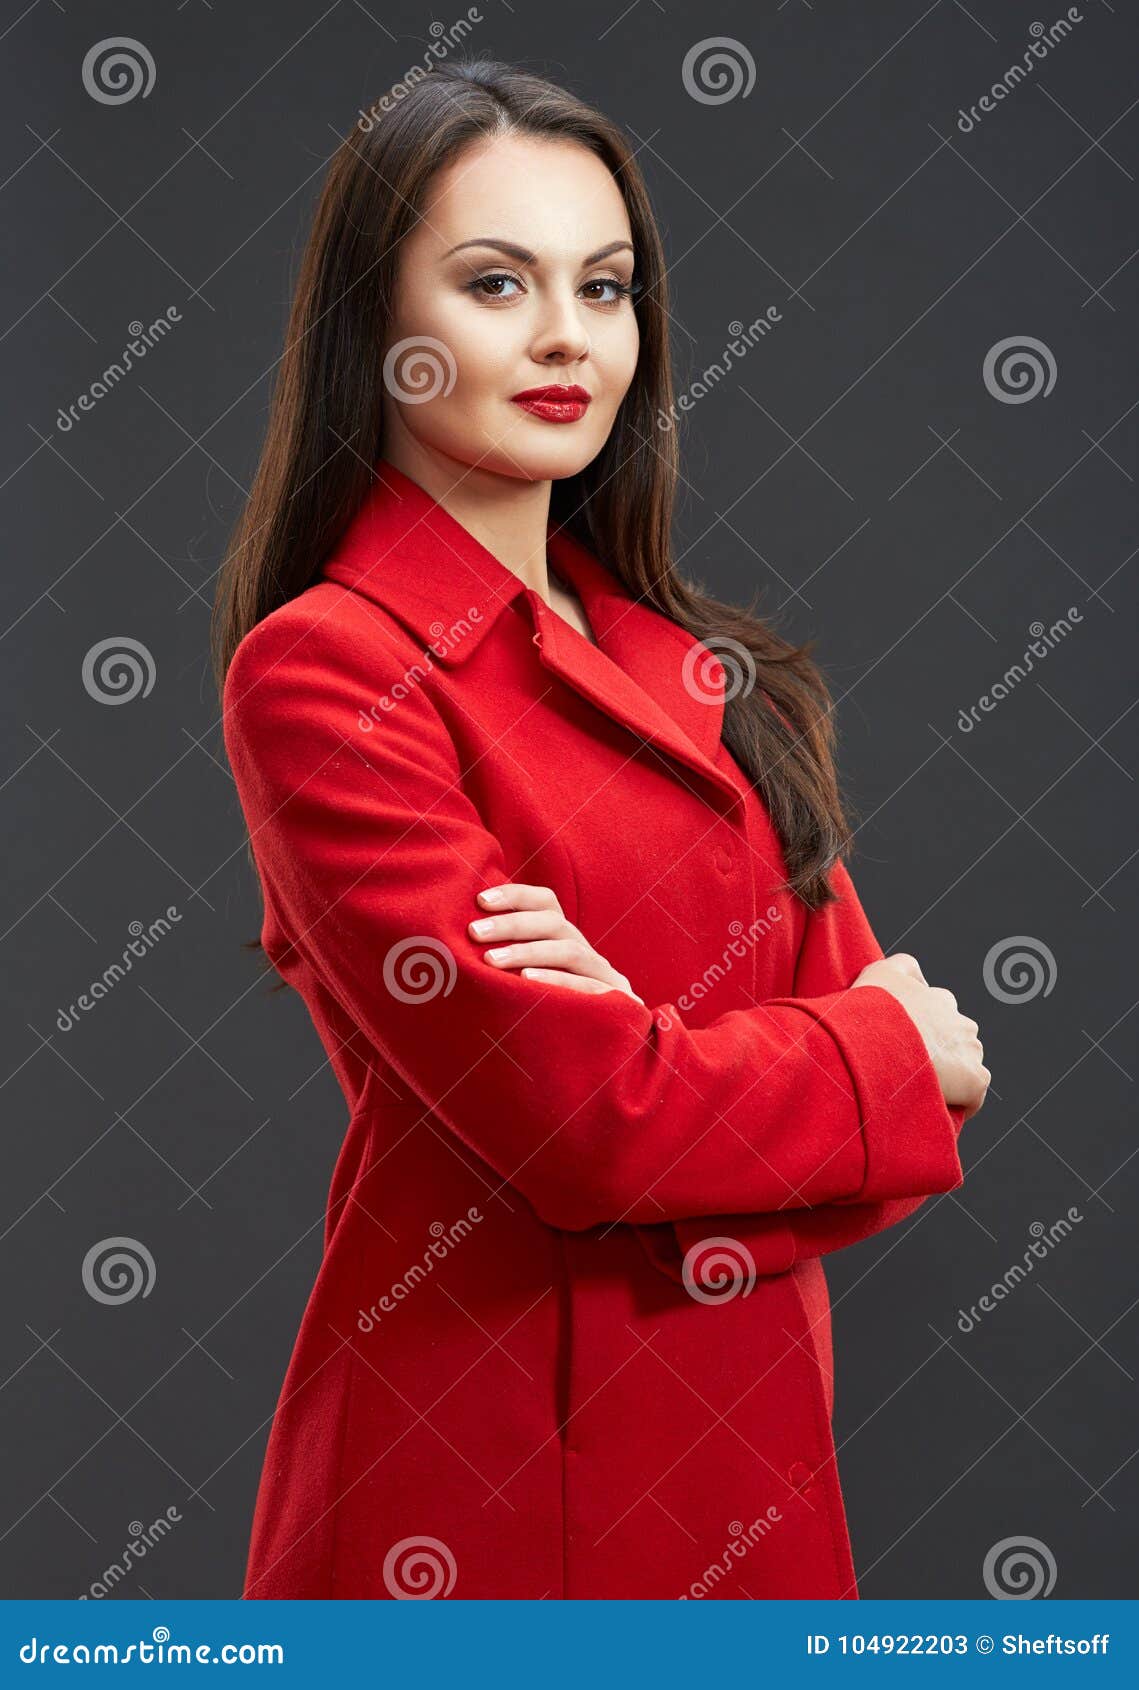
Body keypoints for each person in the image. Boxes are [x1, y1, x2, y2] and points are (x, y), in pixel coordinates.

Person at [213, 57, 989, 1601]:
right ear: (381, 326)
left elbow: (905, 1129)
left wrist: (655, 1061)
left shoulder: (707, 668)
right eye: (498, 283)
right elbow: (583, 1129)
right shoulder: (327, 667)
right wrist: (818, 1074)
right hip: (480, 1469)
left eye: (609, 285)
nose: (570, 334)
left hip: (748, 1461)